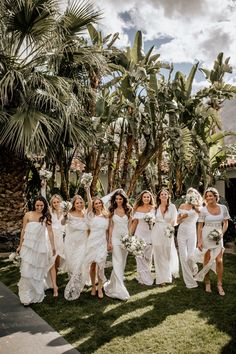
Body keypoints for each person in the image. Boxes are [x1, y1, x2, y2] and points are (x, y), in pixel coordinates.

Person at [17, 196, 56, 305]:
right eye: (37, 205)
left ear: (44, 205)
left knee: (37, 271)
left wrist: (53, 247)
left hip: (40, 248)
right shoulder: (28, 215)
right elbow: (23, 230)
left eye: (41, 205)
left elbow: (51, 232)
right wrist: (20, 245)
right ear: (34, 204)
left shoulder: (46, 216)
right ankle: (26, 297)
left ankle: (35, 293)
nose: (39, 207)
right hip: (28, 247)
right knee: (26, 270)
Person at [194, 187, 230, 296]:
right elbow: (200, 226)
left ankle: (219, 284)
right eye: (207, 196)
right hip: (206, 236)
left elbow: (225, 223)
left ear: (215, 196)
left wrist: (221, 234)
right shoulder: (203, 210)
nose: (209, 198)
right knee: (207, 259)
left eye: (211, 195)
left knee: (219, 260)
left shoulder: (223, 208)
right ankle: (207, 282)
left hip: (218, 236)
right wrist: (199, 241)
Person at [104, 189, 132, 300]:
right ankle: (120, 290)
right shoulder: (112, 210)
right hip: (115, 239)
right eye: (116, 199)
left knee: (122, 263)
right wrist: (109, 241)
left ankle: (112, 285)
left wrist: (129, 239)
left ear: (124, 199)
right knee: (117, 262)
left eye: (120, 199)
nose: (118, 200)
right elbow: (110, 227)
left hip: (125, 239)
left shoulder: (129, 209)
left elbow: (130, 225)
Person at [82, 188, 109, 299]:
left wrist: (109, 242)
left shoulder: (107, 216)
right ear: (93, 205)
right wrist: (88, 191)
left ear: (102, 204)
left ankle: (100, 287)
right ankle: (93, 286)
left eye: (99, 203)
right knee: (92, 266)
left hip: (102, 242)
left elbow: (108, 231)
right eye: (95, 203)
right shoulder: (91, 215)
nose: (97, 205)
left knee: (101, 266)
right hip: (92, 242)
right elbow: (89, 203)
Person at [62, 195, 89, 300]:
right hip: (71, 243)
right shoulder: (69, 214)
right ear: (74, 204)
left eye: (81, 202)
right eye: (77, 203)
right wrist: (64, 216)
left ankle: (74, 286)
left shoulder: (86, 214)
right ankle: (76, 281)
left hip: (83, 243)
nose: (79, 204)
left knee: (80, 263)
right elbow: (62, 223)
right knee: (73, 264)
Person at [151, 189, 179, 286]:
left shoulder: (172, 207)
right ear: (159, 197)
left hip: (168, 231)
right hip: (156, 231)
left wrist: (169, 229)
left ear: (168, 196)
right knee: (158, 254)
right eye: (161, 194)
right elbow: (151, 219)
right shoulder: (155, 208)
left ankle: (167, 276)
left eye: (165, 194)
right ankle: (160, 278)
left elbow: (174, 219)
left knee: (167, 254)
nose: (163, 195)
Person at [177, 188, 202, 289]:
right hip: (181, 232)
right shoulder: (182, 206)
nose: (191, 196)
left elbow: (201, 216)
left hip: (192, 233)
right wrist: (182, 217)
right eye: (189, 194)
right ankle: (189, 281)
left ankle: (194, 267)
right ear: (187, 196)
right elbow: (177, 221)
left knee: (190, 257)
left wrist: (194, 205)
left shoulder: (199, 207)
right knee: (183, 257)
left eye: (193, 194)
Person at [131, 190, 155, 285]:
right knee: (139, 256)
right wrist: (130, 235)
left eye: (148, 197)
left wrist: (152, 222)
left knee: (148, 257)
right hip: (139, 234)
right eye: (144, 197)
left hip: (150, 234)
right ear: (141, 198)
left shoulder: (154, 208)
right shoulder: (137, 208)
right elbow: (135, 222)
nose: (146, 198)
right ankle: (142, 278)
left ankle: (147, 275)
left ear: (150, 198)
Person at [49, 194, 65, 271]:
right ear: (52, 203)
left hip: (60, 236)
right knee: (53, 254)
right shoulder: (50, 212)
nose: (56, 204)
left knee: (59, 254)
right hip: (52, 236)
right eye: (54, 202)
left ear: (60, 202)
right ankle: (53, 270)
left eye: (57, 202)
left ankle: (56, 269)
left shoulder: (64, 212)